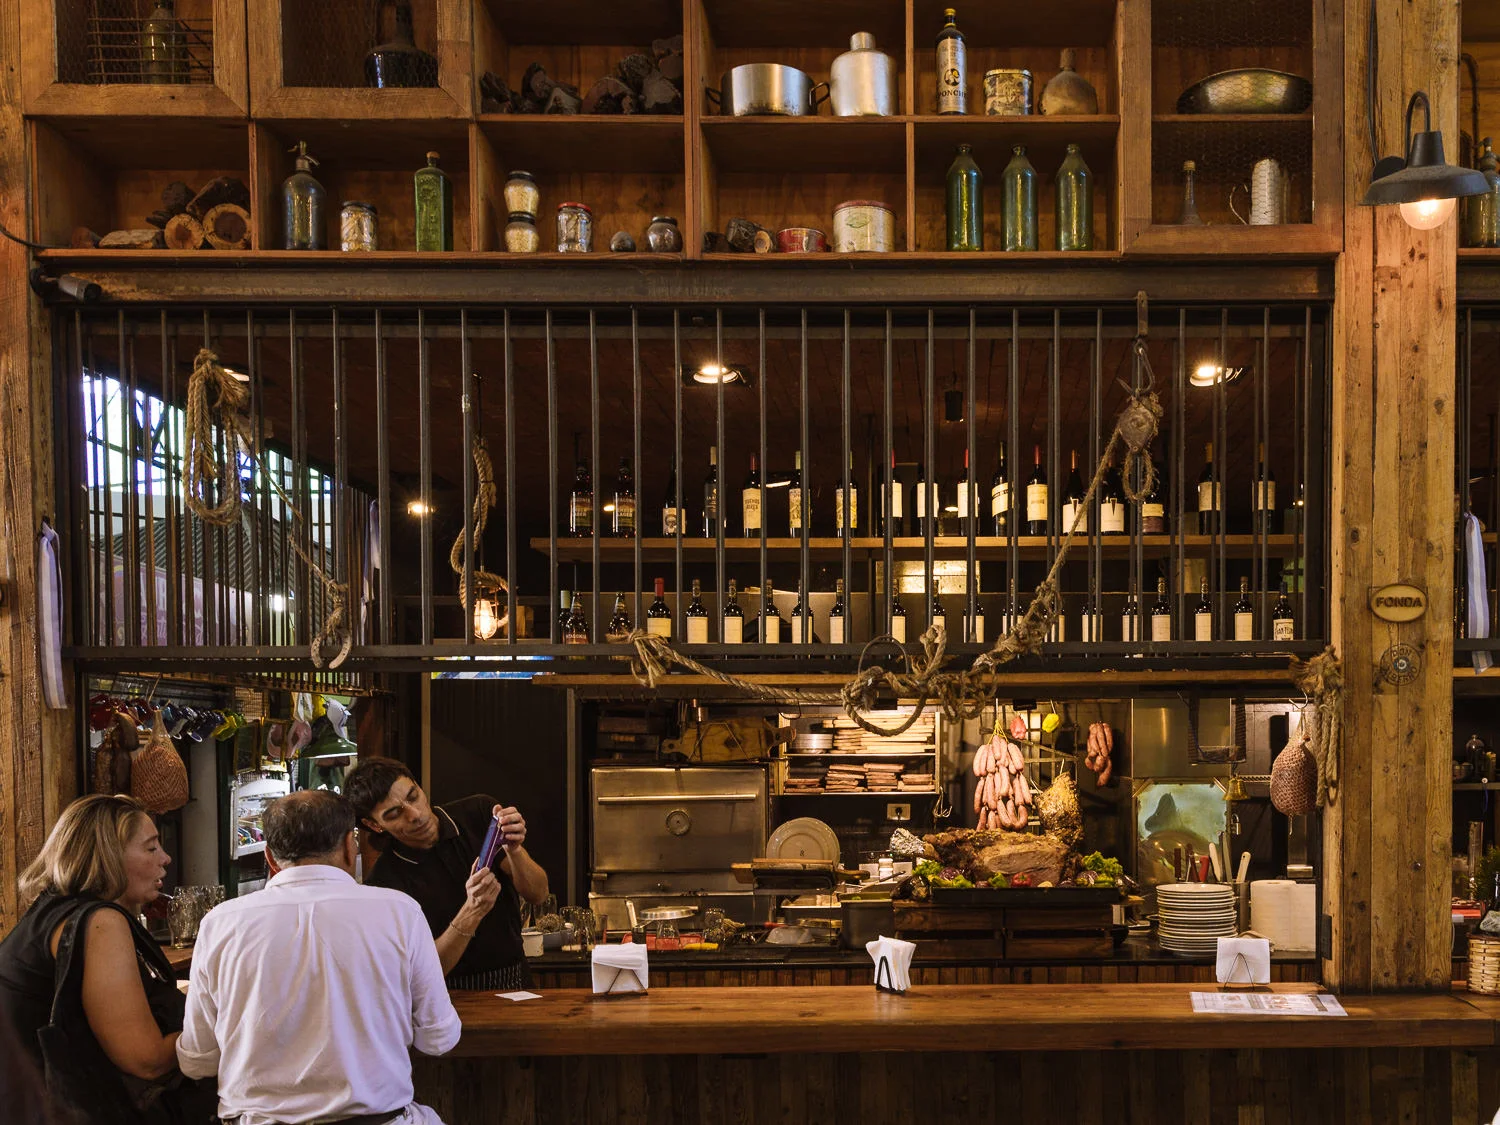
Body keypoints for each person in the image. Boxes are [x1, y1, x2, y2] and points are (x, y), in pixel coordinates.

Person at [177, 790, 460, 1125]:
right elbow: (437, 1039)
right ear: (348, 846)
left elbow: (197, 1062)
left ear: (270, 858)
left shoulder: (220, 923)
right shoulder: (401, 911)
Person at [0, 793, 213, 1124]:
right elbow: (146, 1060)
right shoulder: (100, 922)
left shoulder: (51, 911)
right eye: (151, 847)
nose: (166, 858)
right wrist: (227, 1027)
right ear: (109, 855)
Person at [344, 757, 549, 991]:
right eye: (394, 814)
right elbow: (422, 972)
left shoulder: (477, 814)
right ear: (374, 825)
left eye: (413, 797)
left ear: (418, 786)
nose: (415, 815)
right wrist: (472, 911)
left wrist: (514, 850)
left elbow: (539, 894)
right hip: (448, 995)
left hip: (515, 979)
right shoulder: (384, 883)